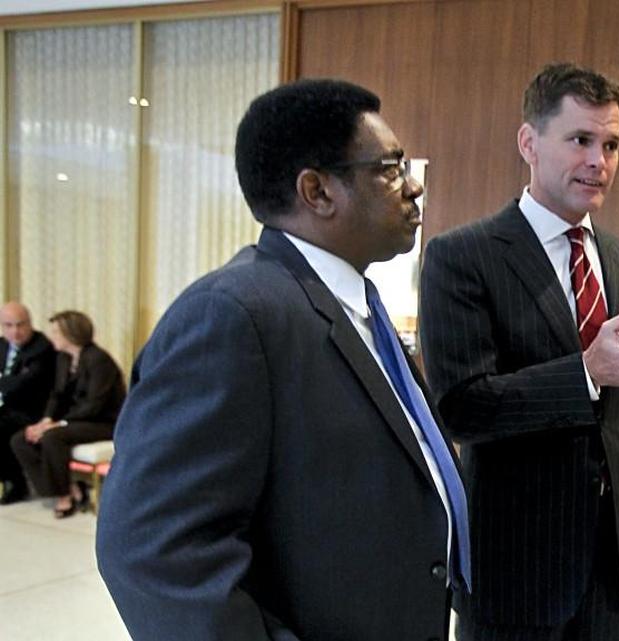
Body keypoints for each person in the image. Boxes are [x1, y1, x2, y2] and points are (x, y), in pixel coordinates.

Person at [97, 78, 465, 641]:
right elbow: (154, 552)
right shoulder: (232, 315)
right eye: (390, 168)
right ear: (317, 192)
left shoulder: (355, 304)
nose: (413, 187)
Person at [419, 62, 619, 641]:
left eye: (611, 145)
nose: (598, 161)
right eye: (580, 140)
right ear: (529, 144)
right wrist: (585, 374)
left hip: (610, 568)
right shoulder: (461, 257)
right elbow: (463, 406)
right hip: (516, 565)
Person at [9, 310, 123, 517]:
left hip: (104, 422)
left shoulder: (99, 360)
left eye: (56, 333)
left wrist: (58, 424)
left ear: (71, 334)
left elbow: (94, 405)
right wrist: (45, 420)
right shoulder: (63, 358)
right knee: (21, 439)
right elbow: (57, 395)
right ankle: (68, 488)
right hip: (76, 420)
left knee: (53, 437)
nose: (51, 337)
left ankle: (64, 497)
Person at [0, 301, 57, 504]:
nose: (15, 332)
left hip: (32, 411)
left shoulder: (42, 347)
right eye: (8, 325)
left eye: (20, 325)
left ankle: (15, 483)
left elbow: (24, 384)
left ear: (30, 323)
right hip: (7, 407)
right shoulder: (2, 345)